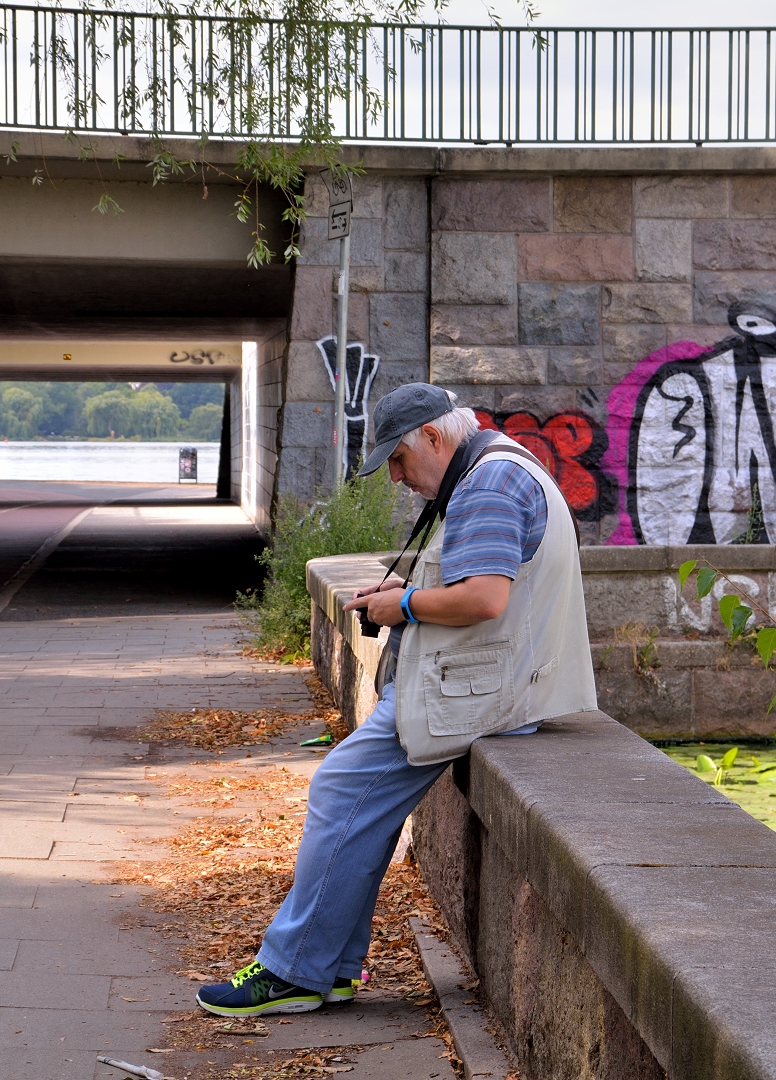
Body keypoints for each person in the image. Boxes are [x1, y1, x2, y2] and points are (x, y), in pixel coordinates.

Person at [197, 382, 596, 1017]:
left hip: (473, 693)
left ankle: (295, 973)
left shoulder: (488, 486)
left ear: (434, 438)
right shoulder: (502, 467)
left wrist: (401, 603)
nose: (397, 479)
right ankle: (326, 970)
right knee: (353, 801)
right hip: (492, 686)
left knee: (339, 791)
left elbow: (484, 599)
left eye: (400, 461)